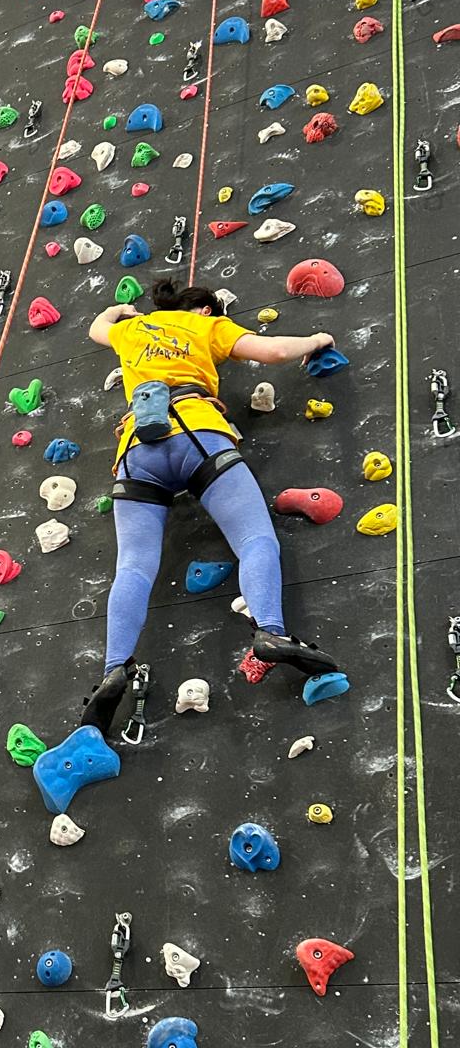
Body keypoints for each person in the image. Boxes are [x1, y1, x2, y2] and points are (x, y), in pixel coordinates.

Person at [80, 278, 347, 734]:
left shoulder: (132, 331)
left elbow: (95, 328)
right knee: (255, 539)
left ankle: (113, 669)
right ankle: (270, 631)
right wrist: (318, 338)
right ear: (205, 309)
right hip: (197, 433)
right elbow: (274, 351)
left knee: (134, 568)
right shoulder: (207, 327)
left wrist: (120, 311)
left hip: (136, 450)